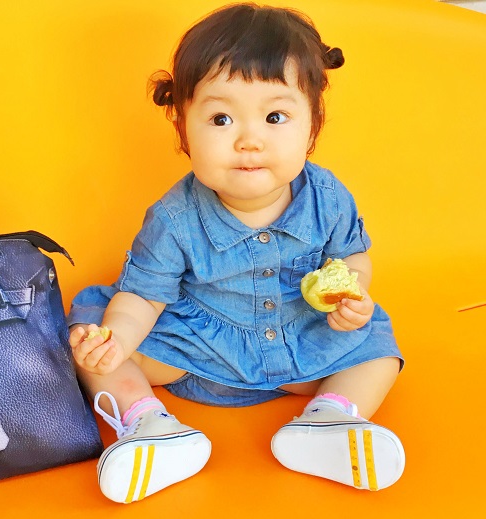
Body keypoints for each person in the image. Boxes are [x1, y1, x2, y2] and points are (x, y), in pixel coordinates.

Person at [67, 2, 405, 504]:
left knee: (378, 345)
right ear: (183, 127)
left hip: (302, 341)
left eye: (275, 116)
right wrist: (116, 338)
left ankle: (332, 418)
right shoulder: (174, 217)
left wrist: (352, 294)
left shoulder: (328, 196)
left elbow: (352, 259)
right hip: (196, 350)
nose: (249, 140)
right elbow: (142, 296)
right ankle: (147, 426)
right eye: (221, 118)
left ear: (312, 126)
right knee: (92, 325)